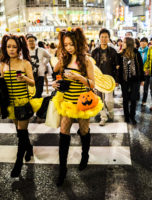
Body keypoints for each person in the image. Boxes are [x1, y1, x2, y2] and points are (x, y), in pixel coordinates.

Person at [52, 27, 103, 186]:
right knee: (63, 133)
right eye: (66, 44)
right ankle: (62, 169)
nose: (68, 47)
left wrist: (78, 77)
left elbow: (93, 84)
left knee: (84, 130)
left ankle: (85, 155)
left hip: (82, 101)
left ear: (78, 43)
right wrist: (56, 82)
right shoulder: (64, 58)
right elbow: (56, 73)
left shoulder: (86, 60)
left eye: (71, 44)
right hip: (67, 100)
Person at [0, 34, 42, 177]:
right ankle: (29, 148)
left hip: (23, 102)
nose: (11, 49)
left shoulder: (24, 63)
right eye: (9, 47)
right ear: (5, 48)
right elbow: (3, 83)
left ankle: (18, 163)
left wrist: (24, 78)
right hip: (10, 104)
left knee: (21, 131)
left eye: (14, 47)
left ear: (19, 48)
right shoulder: (3, 64)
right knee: (20, 132)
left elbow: (33, 82)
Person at [91, 28, 120, 126]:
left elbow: (117, 67)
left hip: (109, 79)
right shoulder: (94, 51)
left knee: (109, 100)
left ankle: (111, 112)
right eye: (102, 37)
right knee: (100, 100)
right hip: (98, 80)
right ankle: (103, 117)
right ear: (99, 38)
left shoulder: (112, 51)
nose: (104, 39)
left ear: (109, 38)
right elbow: (92, 67)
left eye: (106, 37)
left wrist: (116, 80)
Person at [119, 37, 144, 124]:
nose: (122, 43)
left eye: (124, 42)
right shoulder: (120, 54)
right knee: (125, 99)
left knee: (133, 99)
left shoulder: (136, 53)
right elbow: (118, 69)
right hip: (124, 80)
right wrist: (118, 80)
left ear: (129, 43)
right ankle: (126, 116)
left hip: (135, 79)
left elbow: (140, 67)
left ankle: (132, 116)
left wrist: (142, 79)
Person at [139, 37, 150, 106]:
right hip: (139, 71)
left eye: (145, 41)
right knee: (137, 85)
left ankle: (144, 100)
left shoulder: (149, 51)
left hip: (146, 71)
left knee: (145, 87)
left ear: (147, 43)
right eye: (142, 41)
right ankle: (136, 97)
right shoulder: (137, 51)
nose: (143, 43)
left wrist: (148, 69)